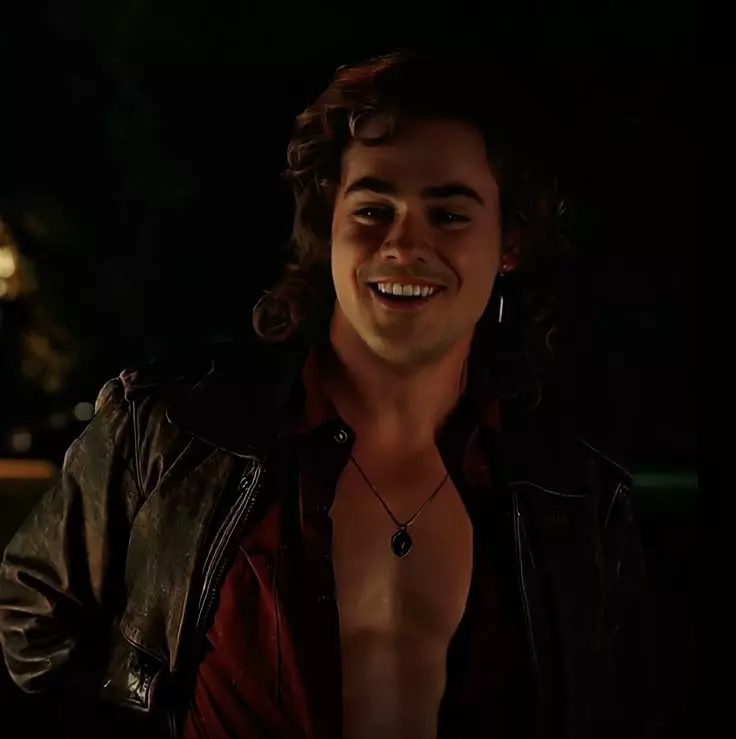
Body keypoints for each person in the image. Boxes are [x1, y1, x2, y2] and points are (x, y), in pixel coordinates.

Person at [0, 50, 653, 739]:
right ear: (328, 223)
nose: (403, 244)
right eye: (372, 208)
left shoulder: (574, 495)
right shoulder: (175, 430)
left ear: (509, 243)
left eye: (449, 215)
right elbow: (28, 624)